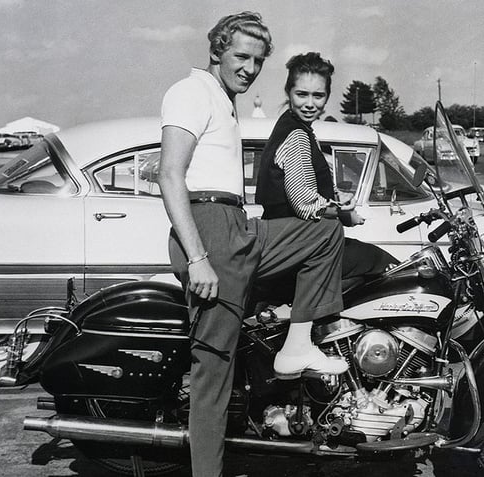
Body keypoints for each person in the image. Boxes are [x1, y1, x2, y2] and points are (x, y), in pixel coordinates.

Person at [158, 13, 345, 477]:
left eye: (258, 61)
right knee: (213, 371)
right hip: (211, 234)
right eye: (241, 56)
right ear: (217, 49)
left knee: (325, 233)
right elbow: (169, 174)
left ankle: (298, 343)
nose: (249, 68)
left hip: (235, 227)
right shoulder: (190, 91)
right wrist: (198, 258)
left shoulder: (221, 98)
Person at [255, 52, 397, 329]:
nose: (310, 104)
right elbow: (304, 204)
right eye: (302, 94)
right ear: (288, 92)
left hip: (288, 242)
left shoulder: (295, 128)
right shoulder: (296, 135)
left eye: (318, 96)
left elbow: (304, 191)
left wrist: (337, 205)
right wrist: (343, 213)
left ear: (327, 97)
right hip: (298, 246)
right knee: (382, 264)